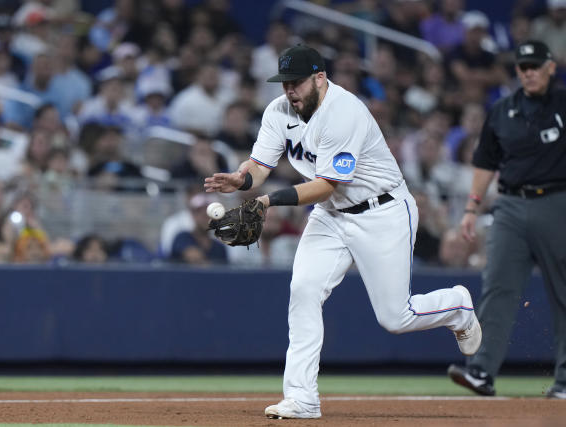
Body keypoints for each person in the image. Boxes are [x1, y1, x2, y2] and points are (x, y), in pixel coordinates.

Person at [204, 45, 482, 419]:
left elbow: (325, 185)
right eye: (285, 82)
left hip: (382, 212)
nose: (289, 90)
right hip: (331, 217)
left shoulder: (344, 111)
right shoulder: (278, 111)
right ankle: (302, 398)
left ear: (320, 77)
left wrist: (267, 202)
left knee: (395, 317)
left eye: (297, 82)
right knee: (303, 290)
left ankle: (458, 306)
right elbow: (259, 164)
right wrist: (242, 179)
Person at [447, 40, 566, 400]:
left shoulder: (563, 103)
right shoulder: (502, 110)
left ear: (550, 68)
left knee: (563, 293)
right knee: (497, 287)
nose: (528, 72)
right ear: (517, 71)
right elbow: (486, 163)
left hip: (558, 202)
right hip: (510, 205)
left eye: (534, 65)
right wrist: (471, 209)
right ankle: (481, 371)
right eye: (523, 66)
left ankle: (564, 380)